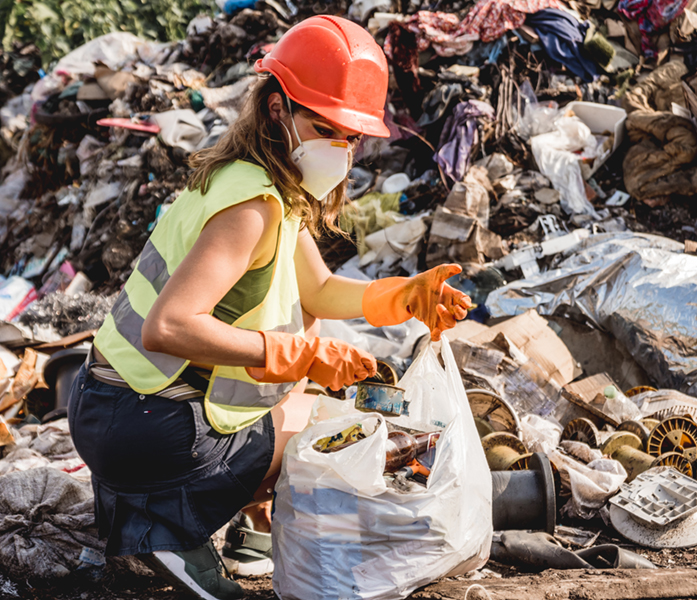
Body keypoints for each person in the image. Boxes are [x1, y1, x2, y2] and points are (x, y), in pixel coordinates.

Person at [67, 15, 471, 600]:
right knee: (326, 435)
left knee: (309, 391)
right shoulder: (251, 206)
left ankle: (227, 527)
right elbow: (169, 326)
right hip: (140, 426)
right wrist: (292, 355)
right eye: (326, 126)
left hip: (115, 410)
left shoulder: (264, 189)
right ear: (278, 108)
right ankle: (169, 530)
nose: (341, 147)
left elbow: (319, 291)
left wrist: (405, 295)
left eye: (351, 136)